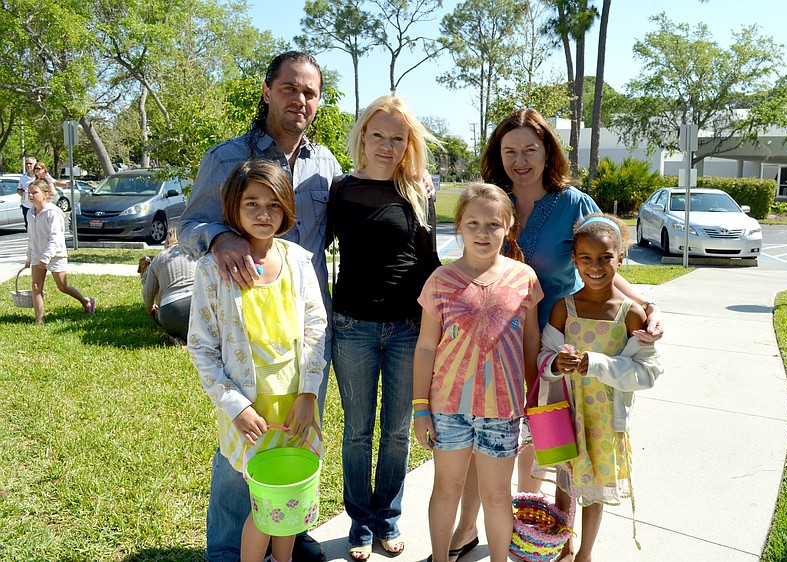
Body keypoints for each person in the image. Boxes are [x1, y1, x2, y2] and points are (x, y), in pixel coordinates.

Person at [446, 108, 664, 557]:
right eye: (510, 151)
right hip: (492, 343)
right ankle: (467, 529)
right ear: (498, 155)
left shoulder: (575, 204)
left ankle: (532, 536)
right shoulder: (493, 199)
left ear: (548, 152)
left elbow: (605, 258)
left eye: (530, 149)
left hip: (553, 344)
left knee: (543, 441)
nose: (520, 160)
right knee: (480, 439)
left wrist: (646, 306)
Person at [178, 50, 339, 562]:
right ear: (268, 91)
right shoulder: (226, 158)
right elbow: (188, 226)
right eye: (289, 88)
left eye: (310, 92)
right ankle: (230, 550)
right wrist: (220, 237)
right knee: (240, 458)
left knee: (296, 440)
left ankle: (291, 530)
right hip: (241, 332)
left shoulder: (326, 164)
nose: (300, 100)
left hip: (300, 337)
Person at [187, 159, 326, 562]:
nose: (263, 214)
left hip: (294, 408)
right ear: (234, 206)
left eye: (273, 204)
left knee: (288, 502)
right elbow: (201, 348)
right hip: (250, 414)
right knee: (261, 507)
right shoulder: (212, 269)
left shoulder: (299, 261)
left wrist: (308, 394)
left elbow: (316, 328)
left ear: (287, 208)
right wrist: (236, 407)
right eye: (252, 204)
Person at [327, 94, 441, 561]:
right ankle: (359, 521)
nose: (386, 146)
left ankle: (388, 517)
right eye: (377, 135)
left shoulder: (418, 190)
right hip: (352, 326)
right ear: (362, 136)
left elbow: (430, 260)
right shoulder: (340, 189)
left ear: (408, 143)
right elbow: (312, 246)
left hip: (408, 329)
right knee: (357, 430)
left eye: (397, 138)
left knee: (397, 431)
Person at [413, 183, 542, 562]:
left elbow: (530, 340)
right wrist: (420, 408)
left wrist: (534, 399)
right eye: (472, 224)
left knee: (498, 497)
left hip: (503, 410)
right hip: (447, 410)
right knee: (446, 489)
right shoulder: (440, 280)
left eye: (493, 224)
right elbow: (425, 347)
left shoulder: (525, 278)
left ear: (509, 228)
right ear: (459, 226)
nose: (482, 233)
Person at [536, 213, 663, 562]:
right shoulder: (564, 309)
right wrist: (556, 363)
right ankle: (564, 547)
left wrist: (597, 364)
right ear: (575, 260)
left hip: (605, 419)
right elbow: (544, 356)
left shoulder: (631, 315)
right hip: (565, 414)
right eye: (586, 258)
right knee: (565, 482)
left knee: (594, 487)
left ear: (620, 259)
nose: (595, 267)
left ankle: (585, 554)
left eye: (605, 258)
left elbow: (648, 372)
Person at [24, 179, 95, 323]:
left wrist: (46, 257)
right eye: (29, 193)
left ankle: (86, 301)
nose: (30, 195)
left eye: (34, 193)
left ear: (45, 194)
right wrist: (29, 256)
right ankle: (38, 320)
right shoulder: (30, 213)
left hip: (55, 255)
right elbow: (31, 237)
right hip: (38, 255)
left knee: (62, 286)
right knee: (36, 286)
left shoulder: (53, 212)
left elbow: (55, 238)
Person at [141, 227, 197, 345]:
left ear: (166, 241)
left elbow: (148, 293)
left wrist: (150, 308)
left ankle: (176, 338)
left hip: (170, 311)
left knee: (175, 329)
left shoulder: (158, 259)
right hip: (197, 305)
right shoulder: (195, 253)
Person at [17, 156, 37, 229]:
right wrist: (23, 194)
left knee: (39, 225)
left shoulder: (39, 176)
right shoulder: (23, 177)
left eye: (30, 164)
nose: (28, 165)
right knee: (29, 227)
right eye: (27, 164)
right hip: (26, 206)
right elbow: (19, 189)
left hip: (37, 205)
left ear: (35, 164)